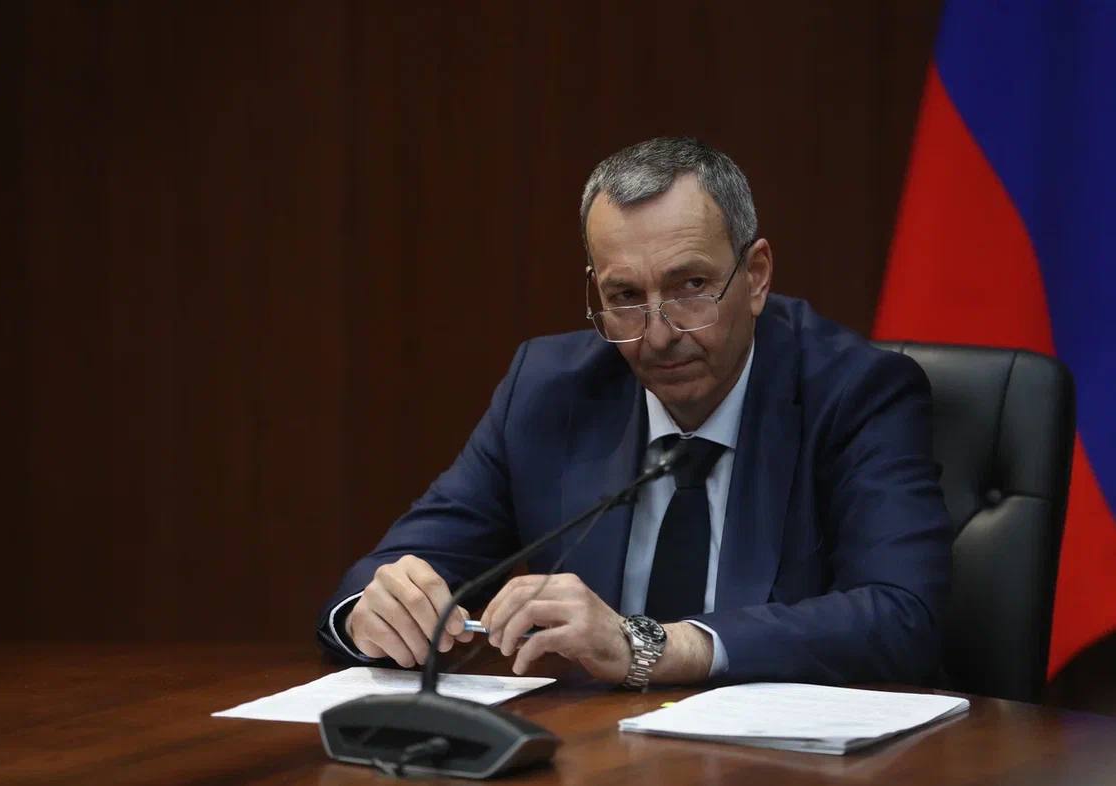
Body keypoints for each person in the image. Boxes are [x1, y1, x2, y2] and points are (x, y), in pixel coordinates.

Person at [317, 137, 952, 689]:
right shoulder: (549, 391)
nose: (658, 335)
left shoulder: (855, 392)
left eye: (690, 286)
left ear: (756, 276)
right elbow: (389, 570)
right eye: (624, 296)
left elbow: (903, 617)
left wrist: (654, 647)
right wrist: (376, 610)